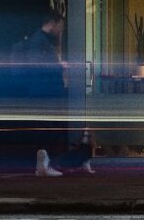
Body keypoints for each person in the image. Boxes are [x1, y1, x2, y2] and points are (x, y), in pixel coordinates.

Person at [19, 10, 94, 176]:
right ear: (52, 23)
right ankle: (44, 166)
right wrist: (60, 66)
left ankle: (44, 165)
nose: (61, 29)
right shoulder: (39, 41)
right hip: (44, 92)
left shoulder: (41, 40)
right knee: (47, 129)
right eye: (60, 25)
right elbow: (37, 65)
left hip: (45, 91)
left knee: (48, 129)